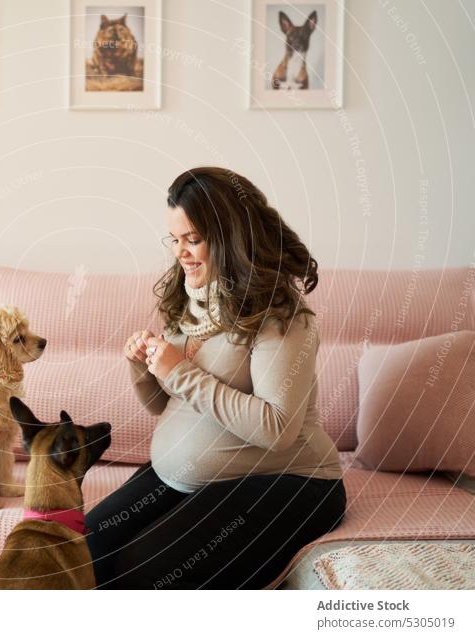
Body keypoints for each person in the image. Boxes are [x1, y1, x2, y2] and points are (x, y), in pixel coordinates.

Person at [85, 167, 346, 589]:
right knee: (83, 548)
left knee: (142, 573)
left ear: (229, 238)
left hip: (290, 482)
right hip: (186, 475)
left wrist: (180, 372)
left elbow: (277, 428)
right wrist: (144, 366)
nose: (181, 254)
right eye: (175, 239)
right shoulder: (190, 296)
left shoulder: (280, 315)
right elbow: (165, 406)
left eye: (194, 240)